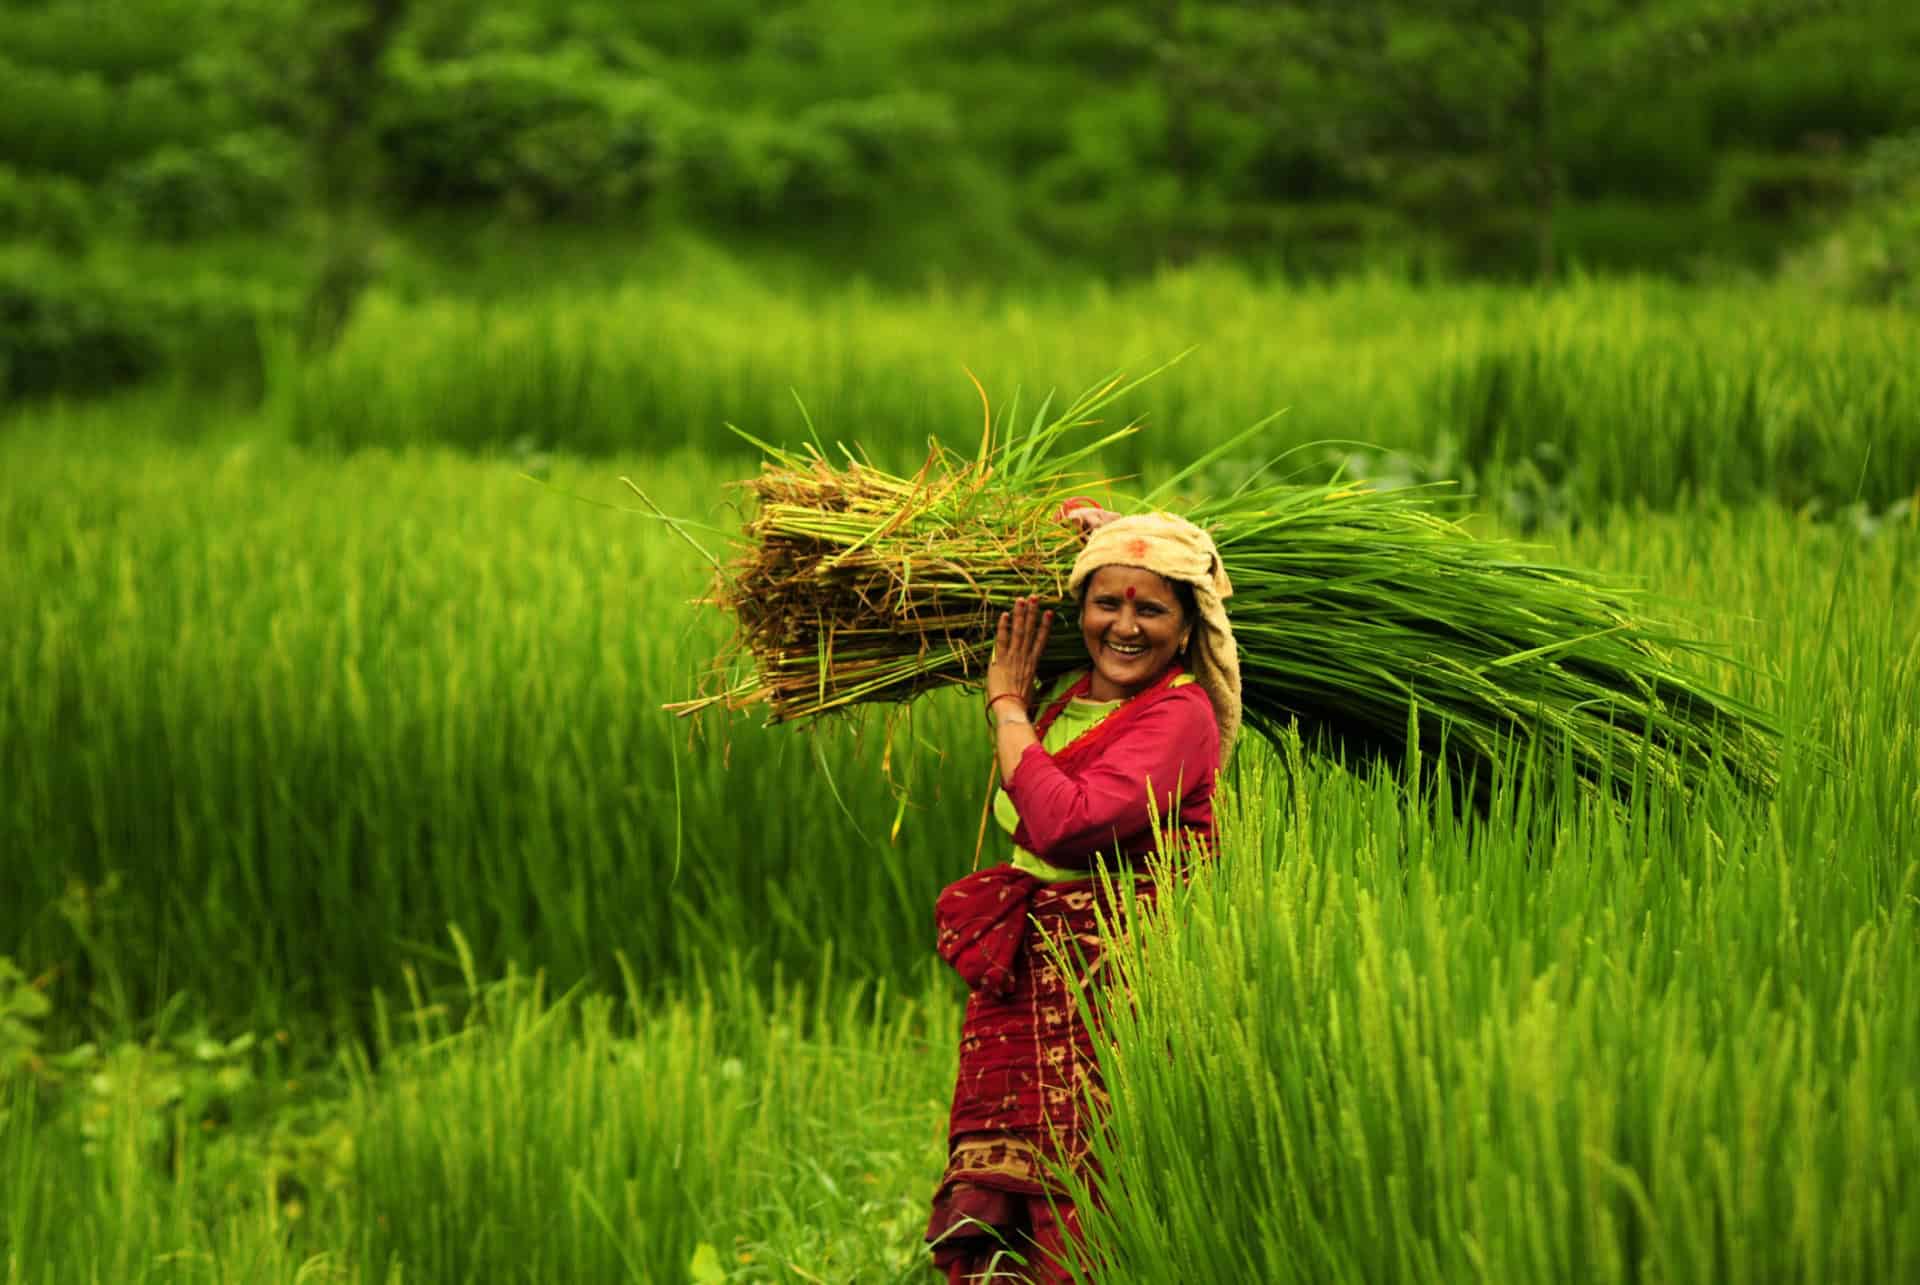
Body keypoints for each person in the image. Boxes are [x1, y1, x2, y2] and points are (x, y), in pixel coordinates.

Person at [925, 506, 1243, 1284]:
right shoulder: (1065, 700)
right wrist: (1103, 536)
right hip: (1025, 1000)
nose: (1125, 625)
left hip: (1108, 1007)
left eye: (1151, 607)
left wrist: (1006, 707)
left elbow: (1065, 824)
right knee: (1008, 1237)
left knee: (1090, 1222)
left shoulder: (1181, 716)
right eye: (1108, 601)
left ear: (1187, 624)